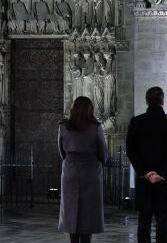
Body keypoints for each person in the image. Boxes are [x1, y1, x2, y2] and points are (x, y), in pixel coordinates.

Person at [127, 87, 167, 243]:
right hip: (163, 180)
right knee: (162, 221)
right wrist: (161, 173)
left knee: (144, 220)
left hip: (144, 180)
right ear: (162, 101)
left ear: (146, 101)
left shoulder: (136, 122)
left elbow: (131, 151)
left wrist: (145, 173)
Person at [58, 96, 108, 243]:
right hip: (90, 172)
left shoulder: (63, 126)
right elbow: (103, 153)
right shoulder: (95, 127)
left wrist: (70, 162)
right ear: (89, 109)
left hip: (70, 171)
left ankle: (73, 240)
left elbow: (62, 152)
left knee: (70, 210)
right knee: (88, 212)